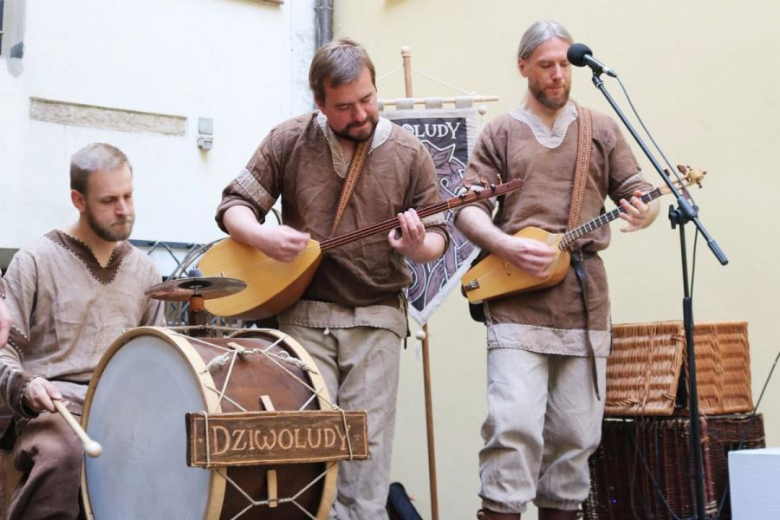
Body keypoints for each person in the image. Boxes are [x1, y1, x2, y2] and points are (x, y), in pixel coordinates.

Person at [215, 37, 447, 519]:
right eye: (345, 107)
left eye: (367, 99)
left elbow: (438, 239)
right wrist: (262, 237)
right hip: (303, 315)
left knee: (366, 447)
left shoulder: (408, 152)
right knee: (303, 444)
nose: (360, 114)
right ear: (319, 104)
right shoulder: (289, 139)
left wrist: (415, 244)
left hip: (377, 316)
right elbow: (234, 204)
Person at [455, 21, 660, 520]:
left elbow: (639, 192)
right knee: (513, 425)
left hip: (583, 302)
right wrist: (506, 245)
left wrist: (644, 212)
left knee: (576, 434)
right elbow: (464, 209)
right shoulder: (501, 131)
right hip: (515, 298)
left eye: (564, 65)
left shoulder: (601, 127)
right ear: (523, 66)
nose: (557, 75)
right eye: (545, 65)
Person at [0, 143, 164, 519]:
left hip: (122, 409)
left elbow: (156, 358)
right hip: (52, 409)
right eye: (109, 200)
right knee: (65, 450)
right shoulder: (36, 259)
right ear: (79, 199)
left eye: (128, 195)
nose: (123, 209)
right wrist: (26, 386)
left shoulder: (145, 271)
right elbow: (3, 348)